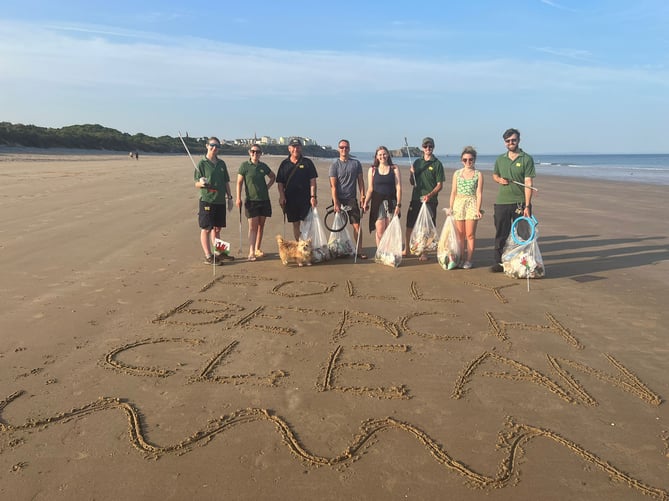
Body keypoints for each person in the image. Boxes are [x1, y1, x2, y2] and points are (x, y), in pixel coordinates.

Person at [491, 128, 536, 272]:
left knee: (523, 235)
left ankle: (523, 264)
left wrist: (527, 206)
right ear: (504, 142)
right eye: (508, 141)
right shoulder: (500, 159)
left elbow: (528, 183)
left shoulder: (526, 158)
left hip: (520, 203)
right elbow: (495, 175)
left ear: (518, 140)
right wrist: (499, 180)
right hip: (502, 202)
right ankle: (499, 262)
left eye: (513, 140)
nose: (511, 143)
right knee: (501, 234)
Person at [194, 137, 233, 266]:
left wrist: (230, 197)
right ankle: (208, 256)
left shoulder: (222, 164)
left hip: (220, 200)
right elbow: (196, 183)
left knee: (217, 228)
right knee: (206, 228)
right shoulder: (201, 163)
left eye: (217, 146)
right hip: (207, 200)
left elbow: (226, 181)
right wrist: (201, 183)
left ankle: (220, 253)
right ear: (207, 146)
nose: (214, 148)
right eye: (212, 145)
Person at [405, 136, 445, 261]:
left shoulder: (437, 164)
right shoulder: (417, 162)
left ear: (433, 147)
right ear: (422, 148)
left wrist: (430, 195)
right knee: (410, 225)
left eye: (430, 146)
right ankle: (407, 249)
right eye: (426, 146)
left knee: (427, 227)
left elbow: (440, 185)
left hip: (430, 201)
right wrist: (411, 173)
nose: (428, 148)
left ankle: (424, 252)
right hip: (416, 198)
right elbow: (412, 182)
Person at [236, 144, 276, 261]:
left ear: (260, 154)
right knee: (252, 227)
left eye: (258, 152)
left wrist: (267, 187)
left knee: (261, 226)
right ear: (249, 152)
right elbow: (239, 182)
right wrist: (238, 198)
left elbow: (273, 177)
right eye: (253, 151)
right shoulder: (244, 166)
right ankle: (251, 251)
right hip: (251, 201)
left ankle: (258, 248)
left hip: (264, 200)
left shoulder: (263, 166)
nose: (255, 154)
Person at [329, 139, 367, 259]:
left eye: (346, 147)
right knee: (339, 226)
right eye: (341, 147)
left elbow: (361, 182)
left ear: (349, 149)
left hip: (351, 199)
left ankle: (359, 250)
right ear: (338, 149)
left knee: (357, 226)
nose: (344, 149)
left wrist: (362, 196)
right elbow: (333, 186)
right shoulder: (334, 165)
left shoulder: (356, 164)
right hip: (338, 199)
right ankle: (338, 249)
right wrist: (336, 202)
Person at [448, 146, 483, 269]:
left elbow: (479, 193)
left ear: (474, 160)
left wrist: (478, 209)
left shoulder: (478, 174)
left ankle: (469, 260)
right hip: (458, 203)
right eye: (465, 160)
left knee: (470, 234)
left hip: (471, 204)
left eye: (470, 159)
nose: (468, 162)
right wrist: (450, 208)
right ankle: (461, 258)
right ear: (461, 160)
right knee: (460, 235)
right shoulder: (457, 173)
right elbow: (453, 192)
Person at [276, 138, 318, 240]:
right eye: (294, 147)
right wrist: (282, 196)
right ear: (289, 149)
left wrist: (313, 196)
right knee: (296, 224)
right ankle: (300, 246)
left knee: (307, 224)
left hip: (305, 199)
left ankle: (307, 246)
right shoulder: (284, 164)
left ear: (301, 148)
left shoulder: (307, 162)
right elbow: (280, 182)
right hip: (290, 199)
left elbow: (313, 181)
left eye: (298, 147)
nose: (296, 149)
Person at [363, 146, 401, 246]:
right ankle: (380, 253)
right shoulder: (372, 170)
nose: (382, 156)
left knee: (390, 230)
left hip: (391, 202)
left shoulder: (394, 169)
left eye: (384, 154)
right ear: (376, 157)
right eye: (380, 154)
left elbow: (398, 188)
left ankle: (389, 252)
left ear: (388, 155)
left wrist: (398, 205)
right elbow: (370, 189)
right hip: (377, 203)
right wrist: (366, 202)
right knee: (380, 231)